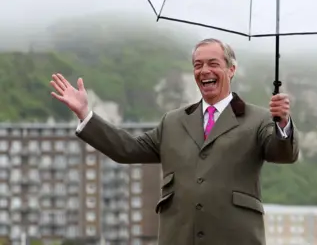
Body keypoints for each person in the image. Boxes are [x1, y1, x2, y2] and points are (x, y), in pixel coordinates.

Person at [50, 38, 299, 245]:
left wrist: (282, 122)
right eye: (198, 65)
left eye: (213, 63)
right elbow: (127, 149)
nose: (205, 71)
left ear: (231, 69)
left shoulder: (259, 119)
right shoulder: (173, 121)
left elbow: (283, 153)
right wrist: (86, 114)